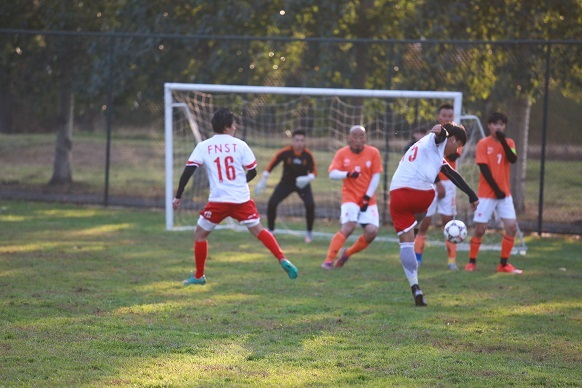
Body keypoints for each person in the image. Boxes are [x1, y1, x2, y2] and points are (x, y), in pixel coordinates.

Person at [172, 108, 298, 285]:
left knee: (200, 235)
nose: (235, 127)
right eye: (233, 124)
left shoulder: (204, 146)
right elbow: (253, 171)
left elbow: (188, 172)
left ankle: (199, 276)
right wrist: (241, 183)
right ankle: (282, 258)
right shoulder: (240, 145)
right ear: (227, 126)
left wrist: (178, 196)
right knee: (259, 231)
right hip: (241, 200)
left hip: (218, 201)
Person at [389, 123, 479, 306]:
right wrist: (473, 196)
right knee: (428, 195)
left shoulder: (429, 151)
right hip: (421, 194)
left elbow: (452, 174)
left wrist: (471, 193)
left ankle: (415, 287)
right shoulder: (436, 141)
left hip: (397, 193)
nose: (458, 149)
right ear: (452, 139)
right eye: (459, 144)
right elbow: (439, 135)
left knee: (405, 244)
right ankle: (415, 229)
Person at [465, 112, 522, 274]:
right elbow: (484, 169)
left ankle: (503, 264)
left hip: (505, 195)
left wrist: (503, 140)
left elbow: (512, 159)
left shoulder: (509, 142)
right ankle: (471, 262)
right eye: (495, 124)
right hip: (486, 194)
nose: (498, 127)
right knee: (480, 229)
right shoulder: (483, 143)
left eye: (501, 124)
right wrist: (496, 190)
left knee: (511, 227)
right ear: (489, 125)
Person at [321, 125, 383, 270]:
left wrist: (367, 197)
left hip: (368, 199)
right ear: (349, 138)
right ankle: (329, 260)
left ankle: (347, 253)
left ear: (365, 138)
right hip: (350, 197)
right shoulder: (342, 153)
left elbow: (376, 176)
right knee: (348, 227)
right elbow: (332, 173)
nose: (358, 139)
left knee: (372, 232)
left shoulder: (373, 152)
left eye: (361, 136)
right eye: (355, 136)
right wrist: (347, 174)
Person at [414, 104, 464, 270]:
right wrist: (438, 183)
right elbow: (428, 161)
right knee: (424, 222)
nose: (448, 118)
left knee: (448, 223)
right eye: (444, 115)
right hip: (431, 182)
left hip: (449, 184)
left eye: (450, 115)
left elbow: (453, 154)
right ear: (438, 117)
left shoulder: (456, 137)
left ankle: (451, 262)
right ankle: (418, 258)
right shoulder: (432, 136)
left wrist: (450, 137)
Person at [254, 129, 317, 243]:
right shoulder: (285, 152)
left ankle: (309, 232)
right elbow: (272, 164)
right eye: (297, 140)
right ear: (292, 141)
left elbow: (314, 172)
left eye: (302, 140)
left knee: (310, 204)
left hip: (302, 185)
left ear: (304, 142)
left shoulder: (308, 155)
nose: (299, 143)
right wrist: (264, 178)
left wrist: (308, 178)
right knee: (272, 203)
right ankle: (271, 231)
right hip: (286, 183)